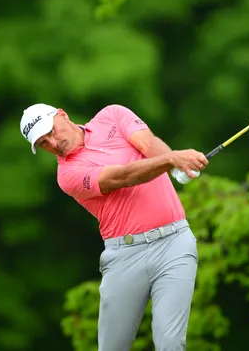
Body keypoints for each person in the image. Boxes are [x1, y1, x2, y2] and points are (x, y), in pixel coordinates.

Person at [19, 102, 209, 351]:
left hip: (175, 243)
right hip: (125, 257)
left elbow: (148, 144)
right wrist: (171, 159)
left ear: (62, 115)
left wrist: (175, 166)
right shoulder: (68, 175)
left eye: (51, 132)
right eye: (44, 143)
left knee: (170, 342)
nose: (53, 143)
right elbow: (123, 176)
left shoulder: (112, 115)